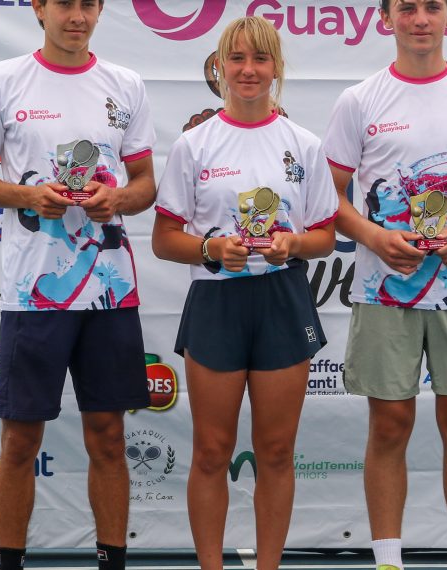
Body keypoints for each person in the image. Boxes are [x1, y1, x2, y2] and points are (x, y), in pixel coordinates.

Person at [322, 0, 447, 569]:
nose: (419, 19)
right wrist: (374, 236)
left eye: (432, 6)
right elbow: (329, 198)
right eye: (406, 7)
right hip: (383, 288)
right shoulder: (359, 100)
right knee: (390, 425)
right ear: (386, 18)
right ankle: (389, 561)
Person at [0, 1, 156, 569]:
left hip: (111, 293)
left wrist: (117, 199)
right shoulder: (4, 80)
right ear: (39, 8)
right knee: (20, 441)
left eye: (88, 4)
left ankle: (112, 561)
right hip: (33, 293)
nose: (77, 15)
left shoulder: (126, 84)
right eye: (64, 2)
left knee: (109, 436)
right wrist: (27, 195)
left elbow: (145, 184)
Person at [150, 16, 338, 570]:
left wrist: (293, 244)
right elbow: (164, 239)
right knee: (211, 451)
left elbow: (325, 236)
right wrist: (210, 249)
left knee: (276, 451)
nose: (249, 70)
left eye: (260, 58)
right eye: (237, 58)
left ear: (276, 67)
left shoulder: (304, 145)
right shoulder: (194, 144)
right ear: (219, 67)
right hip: (217, 303)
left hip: (282, 299)